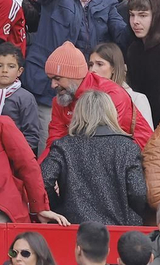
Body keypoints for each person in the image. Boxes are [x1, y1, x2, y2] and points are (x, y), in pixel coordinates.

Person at [38, 90, 149, 226]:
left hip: (73, 226)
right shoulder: (128, 147)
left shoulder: (63, 145)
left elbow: (42, 181)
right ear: (111, 112)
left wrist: (59, 207)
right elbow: (138, 192)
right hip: (120, 228)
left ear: (78, 113)